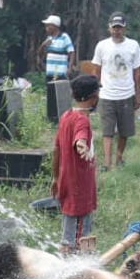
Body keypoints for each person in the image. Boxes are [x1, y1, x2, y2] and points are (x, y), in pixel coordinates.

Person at [85, 12, 140, 169]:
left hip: (127, 94)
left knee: (125, 131)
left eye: (120, 28)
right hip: (107, 94)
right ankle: (106, 163)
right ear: (109, 28)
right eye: (114, 27)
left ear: (124, 28)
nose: (117, 31)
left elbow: (138, 72)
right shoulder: (102, 46)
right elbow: (96, 71)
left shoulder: (133, 45)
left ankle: (119, 157)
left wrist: (138, 93)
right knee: (107, 131)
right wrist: (94, 92)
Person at [53, 74, 100, 253]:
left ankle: (76, 263)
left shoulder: (66, 116)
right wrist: (82, 147)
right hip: (80, 188)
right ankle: (85, 265)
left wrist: (55, 178)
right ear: (94, 96)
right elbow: (80, 139)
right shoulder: (82, 120)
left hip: (67, 182)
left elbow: (56, 148)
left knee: (70, 232)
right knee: (81, 235)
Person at [38, 14, 76, 80]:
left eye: (48, 25)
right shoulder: (49, 39)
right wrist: (43, 45)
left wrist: (69, 68)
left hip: (60, 73)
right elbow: (39, 53)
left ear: (54, 26)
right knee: (51, 90)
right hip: (50, 73)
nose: (46, 28)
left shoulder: (64, 37)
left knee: (60, 90)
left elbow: (72, 52)